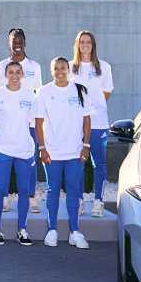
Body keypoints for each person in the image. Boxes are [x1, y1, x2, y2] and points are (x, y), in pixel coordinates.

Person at [35, 57, 92, 249]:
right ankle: (52, 230)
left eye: (63, 68)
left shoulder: (80, 90)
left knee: (73, 191)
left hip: (75, 151)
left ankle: (75, 232)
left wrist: (86, 145)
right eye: (56, 69)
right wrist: (42, 148)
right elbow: (38, 123)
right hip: (52, 152)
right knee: (52, 190)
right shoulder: (43, 92)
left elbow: (86, 120)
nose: (60, 71)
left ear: (68, 69)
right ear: (52, 71)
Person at [0, 27, 45, 213]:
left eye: (20, 40)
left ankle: (30, 197)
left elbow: (38, 95)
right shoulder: (0, 67)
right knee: (5, 162)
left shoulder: (35, 67)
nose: (17, 44)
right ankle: (4, 197)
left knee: (30, 161)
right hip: (6, 125)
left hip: (28, 123)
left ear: (25, 42)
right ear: (9, 43)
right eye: (13, 40)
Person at [0, 61, 37, 246]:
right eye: (11, 72)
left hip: (24, 150)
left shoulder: (30, 95)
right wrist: (2, 137)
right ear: (5, 74)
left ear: (22, 75)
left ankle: (22, 230)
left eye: (18, 72)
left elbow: (34, 122)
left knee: (24, 191)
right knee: (0, 189)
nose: (15, 75)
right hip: (2, 149)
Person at [69, 31, 114, 217]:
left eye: (88, 42)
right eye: (82, 42)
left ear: (93, 45)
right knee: (78, 162)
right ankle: (79, 201)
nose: (85, 45)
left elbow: (107, 92)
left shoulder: (103, 67)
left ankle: (98, 201)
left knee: (99, 164)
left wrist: (93, 107)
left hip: (98, 123)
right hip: (75, 124)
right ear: (77, 45)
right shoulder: (71, 67)